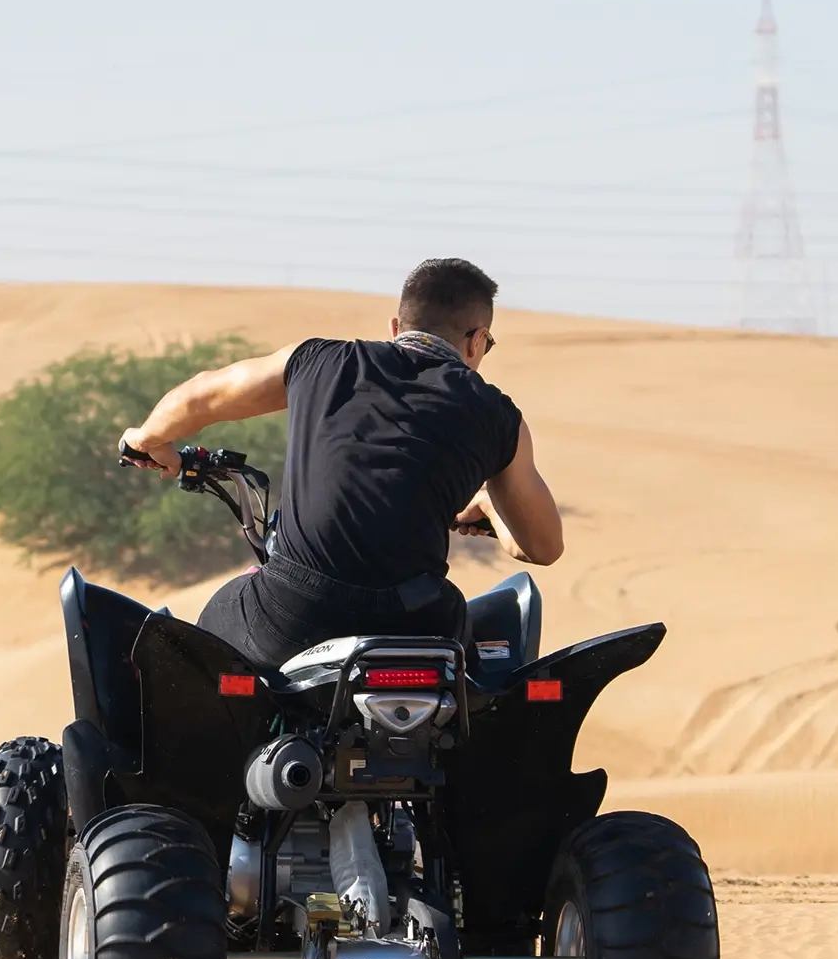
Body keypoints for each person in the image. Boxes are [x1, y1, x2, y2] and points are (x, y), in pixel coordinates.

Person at [118, 258, 564, 669]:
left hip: (293, 614)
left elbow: (204, 394)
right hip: (418, 624)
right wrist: (491, 510)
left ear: (395, 326)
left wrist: (147, 439)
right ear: (476, 340)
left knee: (209, 643)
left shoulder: (318, 361)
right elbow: (543, 548)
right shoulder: (499, 416)